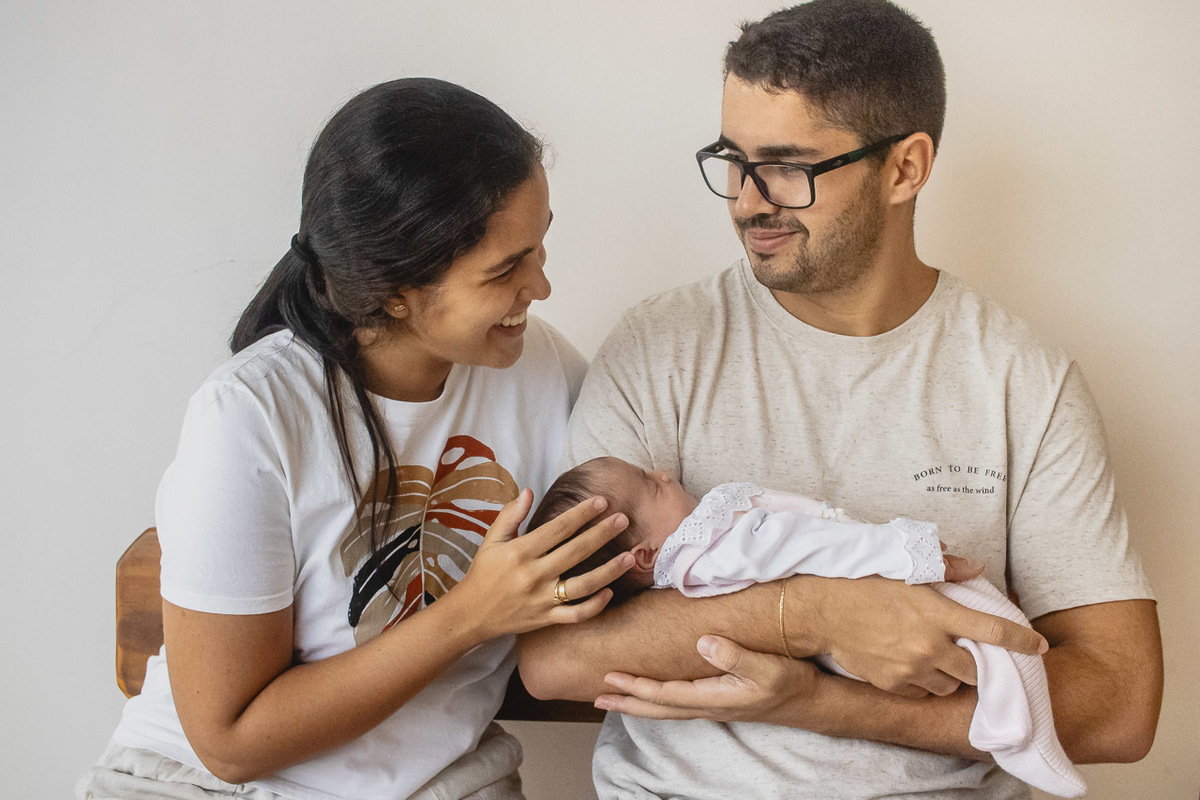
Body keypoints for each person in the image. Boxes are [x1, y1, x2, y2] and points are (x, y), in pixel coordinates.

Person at [518, 2, 1163, 798]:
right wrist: (812, 614)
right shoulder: (660, 347)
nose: (749, 201)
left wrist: (821, 702)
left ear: (906, 167)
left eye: (790, 166)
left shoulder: (1021, 380)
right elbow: (555, 659)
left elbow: (1122, 705)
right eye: (734, 159)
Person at [76, 78, 635, 800]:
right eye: (506, 269)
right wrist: (471, 615)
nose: (543, 286)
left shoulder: (543, 371)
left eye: (540, 245)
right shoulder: (250, 414)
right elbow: (229, 743)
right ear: (394, 290)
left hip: (435, 784)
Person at [529, 456, 1085, 796]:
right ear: (646, 557)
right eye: (651, 486)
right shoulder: (707, 551)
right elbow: (805, 543)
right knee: (1003, 637)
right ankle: (1022, 735)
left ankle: (1017, 732)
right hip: (887, 577)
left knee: (992, 642)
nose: (666, 472)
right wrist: (900, 551)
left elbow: (1123, 713)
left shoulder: (696, 557)